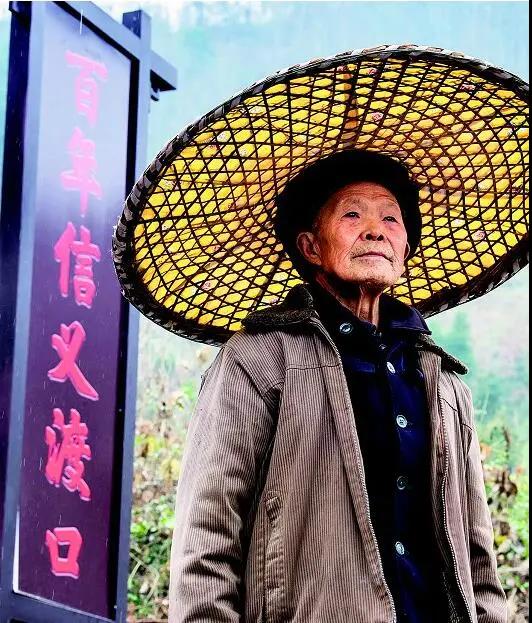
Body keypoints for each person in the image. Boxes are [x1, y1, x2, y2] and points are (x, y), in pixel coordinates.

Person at [112, 45, 528, 622]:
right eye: (352, 215)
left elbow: (478, 564)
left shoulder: (441, 380)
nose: (376, 230)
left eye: (390, 218)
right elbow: (208, 539)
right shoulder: (259, 361)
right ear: (311, 246)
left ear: (406, 247)